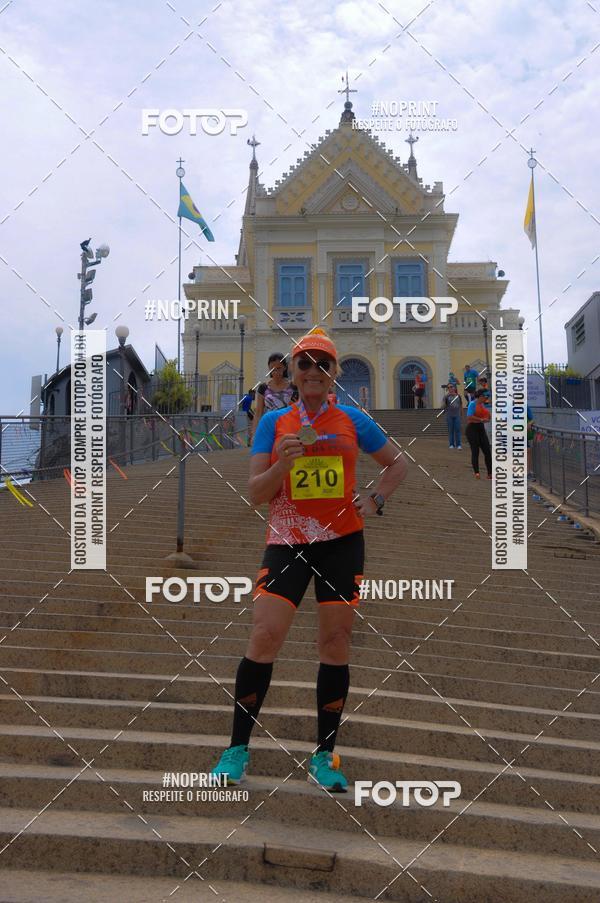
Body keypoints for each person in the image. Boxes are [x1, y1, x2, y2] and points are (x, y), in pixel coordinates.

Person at [210, 329, 407, 792]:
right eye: (305, 364)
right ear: (291, 373)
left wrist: (376, 499)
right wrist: (281, 464)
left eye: (323, 364)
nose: (313, 371)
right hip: (287, 541)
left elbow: (397, 464)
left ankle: (324, 756)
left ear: (334, 372)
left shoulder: (352, 420)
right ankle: (236, 750)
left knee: (335, 642)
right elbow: (256, 494)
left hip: (341, 541)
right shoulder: (273, 423)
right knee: (264, 635)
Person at [253, 353, 295, 435]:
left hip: (289, 428)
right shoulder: (263, 388)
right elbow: (258, 413)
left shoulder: (293, 387)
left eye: (279, 368)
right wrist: (255, 433)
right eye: (272, 369)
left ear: (284, 368)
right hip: (269, 429)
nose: (275, 372)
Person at [465, 389, 492, 479]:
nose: (487, 398)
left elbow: (486, 415)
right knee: (475, 451)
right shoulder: (472, 404)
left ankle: (490, 473)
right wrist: (481, 419)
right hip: (472, 429)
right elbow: (469, 416)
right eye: (486, 397)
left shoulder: (482, 405)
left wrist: (488, 418)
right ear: (481, 396)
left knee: (487, 451)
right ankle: (477, 472)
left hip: (480, 428)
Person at [442, 384, 462, 449]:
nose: (450, 388)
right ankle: (451, 444)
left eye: (451, 387)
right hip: (449, 415)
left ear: (454, 388)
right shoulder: (446, 397)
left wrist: (461, 413)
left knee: (457, 430)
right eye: (448, 387)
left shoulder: (458, 396)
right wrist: (445, 398)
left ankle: (458, 444)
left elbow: (461, 405)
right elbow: (442, 406)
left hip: (457, 415)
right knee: (450, 430)